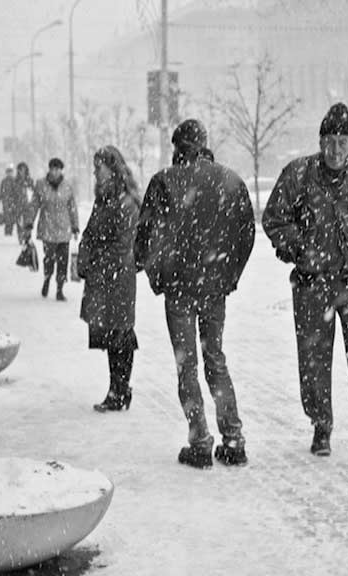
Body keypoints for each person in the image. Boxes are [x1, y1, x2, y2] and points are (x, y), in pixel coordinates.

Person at [262, 102, 348, 463]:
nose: (335, 150)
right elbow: (273, 219)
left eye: (342, 142)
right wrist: (301, 248)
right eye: (330, 141)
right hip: (312, 286)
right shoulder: (298, 174)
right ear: (320, 141)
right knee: (313, 359)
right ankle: (320, 427)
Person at [135, 119, 255, 469]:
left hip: (180, 288)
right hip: (214, 287)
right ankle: (233, 437)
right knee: (215, 358)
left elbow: (146, 237)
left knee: (187, 364)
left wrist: (159, 274)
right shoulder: (229, 181)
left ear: (178, 147)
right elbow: (245, 234)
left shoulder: (165, 182)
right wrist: (227, 275)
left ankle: (200, 439)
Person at [76, 146, 141, 412]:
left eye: (98, 167)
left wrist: (95, 262)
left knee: (120, 335)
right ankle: (118, 389)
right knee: (113, 334)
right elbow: (92, 232)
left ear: (112, 168)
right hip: (105, 275)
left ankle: (119, 390)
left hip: (117, 276)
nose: (94, 172)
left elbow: (122, 244)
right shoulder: (104, 200)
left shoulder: (126, 202)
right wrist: (85, 255)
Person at [25, 158, 80, 302]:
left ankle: (60, 289)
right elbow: (34, 204)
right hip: (47, 228)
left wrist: (75, 226)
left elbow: (72, 207)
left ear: (61, 170)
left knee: (63, 261)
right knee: (49, 259)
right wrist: (29, 222)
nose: (55, 172)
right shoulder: (41, 185)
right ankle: (47, 279)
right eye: (53, 168)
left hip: (64, 229)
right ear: (49, 169)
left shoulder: (67, 186)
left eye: (58, 169)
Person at [0, 165, 24, 241]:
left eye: (10, 172)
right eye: (8, 172)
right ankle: (8, 234)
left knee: (16, 218)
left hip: (14, 203)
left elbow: (18, 192)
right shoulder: (4, 181)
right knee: (8, 219)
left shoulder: (15, 180)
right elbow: (1, 191)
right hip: (6, 202)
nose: (9, 174)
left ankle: (18, 236)